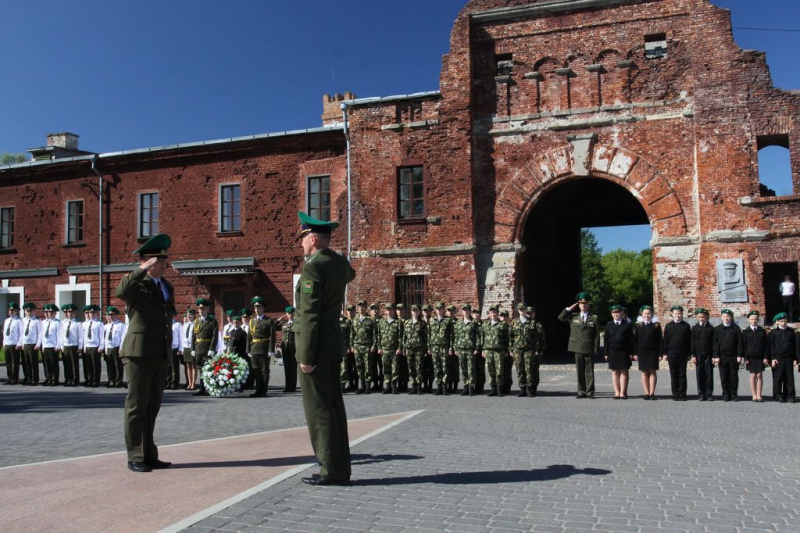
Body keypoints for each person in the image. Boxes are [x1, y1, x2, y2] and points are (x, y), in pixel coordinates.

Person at [294, 211, 355, 487]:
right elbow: (350, 273)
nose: (301, 242)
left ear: (314, 239)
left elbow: (309, 315)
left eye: (304, 237)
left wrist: (306, 356)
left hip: (316, 348)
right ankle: (340, 467)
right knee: (334, 408)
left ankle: (330, 469)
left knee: (319, 410)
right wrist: (335, 255)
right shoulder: (338, 263)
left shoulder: (313, 268)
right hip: (332, 345)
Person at [115, 233, 175, 473]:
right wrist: (141, 269)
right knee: (137, 406)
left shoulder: (166, 286)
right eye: (158, 260)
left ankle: (149, 454)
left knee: (152, 407)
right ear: (148, 262)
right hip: (138, 353)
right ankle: (135, 455)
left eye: (163, 260)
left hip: (159, 353)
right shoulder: (136, 284)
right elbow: (121, 291)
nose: (163, 264)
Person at [558, 292, 600, 399]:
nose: (583, 305)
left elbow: (596, 334)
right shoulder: (573, 317)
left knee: (589, 371)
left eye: (585, 303)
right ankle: (581, 391)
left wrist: (596, 347)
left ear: (588, 305)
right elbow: (561, 317)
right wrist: (569, 309)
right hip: (577, 347)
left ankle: (590, 391)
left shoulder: (594, 318)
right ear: (578, 305)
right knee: (580, 371)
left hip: (589, 347)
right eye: (581, 304)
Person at [247, 296, 277, 398]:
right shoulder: (252, 321)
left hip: (264, 348)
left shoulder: (268, 321)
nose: (257, 310)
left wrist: (271, 350)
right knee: (256, 370)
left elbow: (272, 336)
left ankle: (264, 391)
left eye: (259, 308)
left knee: (264, 370)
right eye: (255, 308)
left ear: (263, 308)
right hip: (254, 348)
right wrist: (248, 350)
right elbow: (249, 336)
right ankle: (258, 390)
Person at [604, 304, 634, 399]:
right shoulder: (609, 325)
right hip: (613, 351)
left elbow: (631, 340)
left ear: (621, 313)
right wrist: (606, 353)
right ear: (611, 314)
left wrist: (631, 352)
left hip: (624, 351)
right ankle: (617, 392)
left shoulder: (627, 325)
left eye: (617, 312)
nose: (615, 314)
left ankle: (623, 392)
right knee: (615, 372)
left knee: (624, 371)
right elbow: (606, 340)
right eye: (613, 313)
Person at [662, 305, 692, 401]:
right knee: (674, 373)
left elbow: (689, 341)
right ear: (672, 314)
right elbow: (665, 340)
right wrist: (665, 353)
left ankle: (682, 394)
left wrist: (689, 353)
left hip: (683, 353)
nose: (677, 315)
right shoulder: (668, 326)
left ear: (682, 314)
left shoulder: (686, 326)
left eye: (679, 313)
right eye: (675, 313)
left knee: (682, 374)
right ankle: (675, 394)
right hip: (672, 353)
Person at [632, 305, 662, 400]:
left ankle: (652, 393)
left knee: (652, 372)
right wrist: (635, 353)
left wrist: (660, 354)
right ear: (642, 314)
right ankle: (646, 393)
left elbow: (660, 340)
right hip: (642, 352)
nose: (647, 315)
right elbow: (635, 340)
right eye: (645, 313)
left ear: (652, 314)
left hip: (653, 352)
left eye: (649, 313)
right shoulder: (638, 326)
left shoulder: (656, 326)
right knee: (644, 372)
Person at [713, 308, 742, 402]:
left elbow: (739, 343)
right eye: (724, 316)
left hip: (733, 356)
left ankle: (734, 394)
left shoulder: (736, 328)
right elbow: (715, 343)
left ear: (731, 317)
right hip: (722, 356)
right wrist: (716, 356)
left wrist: (739, 355)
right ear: (721, 317)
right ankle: (725, 394)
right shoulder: (717, 329)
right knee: (724, 376)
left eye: (728, 316)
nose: (726, 318)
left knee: (733, 376)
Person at [479, 305, 509, 397]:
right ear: (489, 314)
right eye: (492, 312)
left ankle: (499, 389)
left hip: (499, 351)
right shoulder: (485, 325)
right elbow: (482, 338)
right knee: (491, 370)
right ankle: (493, 388)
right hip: (488, 350)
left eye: (495, 312)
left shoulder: (502, 325)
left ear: (498, 313)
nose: (493, 314)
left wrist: (506, 350)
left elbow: (507, 339)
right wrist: (483, 349)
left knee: (499, 371)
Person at [192, 298, 219, 396]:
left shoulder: (212, 321)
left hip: (207, 348)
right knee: (200, 369)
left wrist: (212, 349)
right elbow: (193, 336)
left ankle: (209, 388)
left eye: (203, 309)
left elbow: (215, 336)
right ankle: (202, 388)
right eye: (200, 309)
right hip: (198, 348)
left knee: (208, 368)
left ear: (207, 309)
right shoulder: (196, 321)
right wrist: (192, 349)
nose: (201, 311)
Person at [768, 312, 797, 403]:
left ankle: (789, 395)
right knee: (778, 377)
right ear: (777, 322)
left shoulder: (791, 332)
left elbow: (794, 346)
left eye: (785, 321)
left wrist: (795, 358)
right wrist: (772, 358)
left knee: (789, 377)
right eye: (781, 321)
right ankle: (778, 395)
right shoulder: (773, 332)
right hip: (778, 358)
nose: (783, 323)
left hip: (788, 357)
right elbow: (771, 346)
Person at [510, 303, 537, 398]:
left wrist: (536, 349)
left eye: (523, 309)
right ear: (518, 310)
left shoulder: (532, 322)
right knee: (519, 369)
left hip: (529, 349)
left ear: (526, 310)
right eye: (520, 309)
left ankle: (529, 389)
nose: (522, 311)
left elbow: (536, 337)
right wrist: (511, 349)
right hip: (517, 349)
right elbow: (511, 337)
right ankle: (522, 388)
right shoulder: (514, 322)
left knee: (529, 370)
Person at [741, 310, 769, 402]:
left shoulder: (762, 331)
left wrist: (766, 357)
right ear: (749, 320)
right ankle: (754, 395)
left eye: (755, 319)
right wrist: (746, 357)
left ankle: (759, 395)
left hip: (760, 356)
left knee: (759, 375)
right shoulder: (746, 331)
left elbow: (766, 345)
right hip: (751, 357)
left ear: (758, 320)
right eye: (752, 319)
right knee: (753, 375)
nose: (754, 321)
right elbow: (744, 346)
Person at [453, 303, 479, 396]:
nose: (465, 312)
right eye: (464, 310)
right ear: (462, 311)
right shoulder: (458, 323)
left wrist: (477, 348)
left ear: (470, 311)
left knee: (471, 368)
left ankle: (471, 386)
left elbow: (477, 336)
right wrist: (455, 348)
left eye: (467, 310)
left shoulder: (474, 323)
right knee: (463, 368)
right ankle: (465, 386)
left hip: (470, 348)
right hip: (461, 348)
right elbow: (456, 336)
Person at [377, 303, 403, 394]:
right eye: (388, 309)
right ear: (385, 311)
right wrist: (379, 347)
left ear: (394, 311)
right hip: (384, 349)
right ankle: (387, 386)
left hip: (394, 349)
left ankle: (394, 386)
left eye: (391, 309)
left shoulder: (398, 322)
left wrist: (399, 347)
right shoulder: (382, 322)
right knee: (385, 369)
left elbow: (400, 336)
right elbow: (379, 336)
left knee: (395, 369)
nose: (389, 311)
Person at [351, 300, 376, 394]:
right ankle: (362, 385)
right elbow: (351, 334)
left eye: (363, 307)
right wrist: (352, 346)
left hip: (367, 346)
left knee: (368, 366)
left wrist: (373, 345)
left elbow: (375, 334)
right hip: (357, 346)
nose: (361, 308)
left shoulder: (371, 320)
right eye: (359, 307)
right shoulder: (355, 319)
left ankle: (368, 386)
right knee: (359, 366)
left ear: (366, 308)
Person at [691, 308, 715, 401]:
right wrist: (693, 355)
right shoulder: (694, 328)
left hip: (709, 354)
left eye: (703, 317)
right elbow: (692, 342)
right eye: (699, 317)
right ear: (697, 317)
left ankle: (709, 393)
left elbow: (714, 343)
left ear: (707, 317)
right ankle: (701, 393)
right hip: (698, 354)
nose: (701, 319)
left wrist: (714, 356)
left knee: (709, 374)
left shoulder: (711, 328)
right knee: (699, 374)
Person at [59, 303, 83, 387]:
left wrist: (80, 347)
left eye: (71, 312)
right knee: (66, 364)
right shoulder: (63, 323)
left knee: (74, 364)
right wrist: (61, 346)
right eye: (68, 312)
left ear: (75, 313)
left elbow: (80, 336)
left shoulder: (78, 323)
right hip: (65, 345)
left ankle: (75, 380)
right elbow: (61, 335)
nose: (70, 314)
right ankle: (68, 379)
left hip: (73, 345)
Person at [102, 306, 126, 388]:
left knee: (118, 365)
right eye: (109, 315)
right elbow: (105, 338)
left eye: (112, 315)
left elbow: (123, 337)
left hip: (116, 347)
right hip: (109, 347)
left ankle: (118, 381)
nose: (111, 317)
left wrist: (121, 348)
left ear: (116, 315)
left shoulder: (120, 325)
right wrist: (106, 348)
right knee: (110, 365)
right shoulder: (108, 326)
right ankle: (111, 381)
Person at [81, 304, 103, 388]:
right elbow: (84, 336)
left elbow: (101, 336)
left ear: (97, 313)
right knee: (88, 365)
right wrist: (84, 347)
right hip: (87, 346)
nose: (91, 314)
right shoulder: (85, 324)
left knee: (95, 365)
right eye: (90, 313)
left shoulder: (99, 324)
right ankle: (90, 380)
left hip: (95, 346)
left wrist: (101, 346)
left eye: (93, 313)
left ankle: (96, 381)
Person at [20, 302, 42, 386]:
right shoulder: (23, 321)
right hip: (25, 343)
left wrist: (38, 344)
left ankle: (34, 379)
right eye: (27, 311)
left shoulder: (37, 321)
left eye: (30, 311)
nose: (29, 312)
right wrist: (22, 343)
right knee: (26, 362)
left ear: (34, 311)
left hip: (33, 344)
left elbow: (40, 333)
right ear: (25, 311)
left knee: (33, 362)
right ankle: (28, 378)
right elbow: (21, 333)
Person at [39, 304, 62, 386]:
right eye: (48, 312)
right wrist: (42, 345)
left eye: (52, 312)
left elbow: (59, 335)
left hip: (53, 346)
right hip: (46, 346)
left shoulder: (57, 323)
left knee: (54, 364)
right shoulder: (43, 323)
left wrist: (58, 345)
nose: (50, 314)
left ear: (55, 313)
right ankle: (48, 378)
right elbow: (41, 335)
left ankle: (55, 379)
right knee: (46, 364)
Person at [3, 302, 23, 385]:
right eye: (9, 310)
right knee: (8, 362)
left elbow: (21, 333)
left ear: (16, 311)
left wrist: (19, 343)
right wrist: (4, 342)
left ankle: (14, 379)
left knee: (14, 362)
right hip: (7, 343)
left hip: (14, 344)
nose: (10, 311)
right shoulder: (7, 320)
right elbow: (5, 332)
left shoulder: (18, 321)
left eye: (12, 310)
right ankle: (10, 378)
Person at [278, 306, 297, 392]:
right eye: (289, 314)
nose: (290, 315)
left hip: (293, 348)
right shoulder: (284, 323)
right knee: (286, 367)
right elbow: (273, 326)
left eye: (292, 313)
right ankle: (287, 386)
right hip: (285, 348)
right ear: (286, 314)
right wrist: (279, 319)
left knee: (293, 367)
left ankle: (292, 386)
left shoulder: (297, 323)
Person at [181, 308, 197, 390]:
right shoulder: (185, 325)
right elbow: (183, 336)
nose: (189, 316)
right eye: (188, 314)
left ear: (194, 315)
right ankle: (189, 383)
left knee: (193, 365)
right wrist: (182, 348)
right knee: (188, 365)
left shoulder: (195, 324)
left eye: (190, 314)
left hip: (192, 346)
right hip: (186, 346)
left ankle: (193, 384)